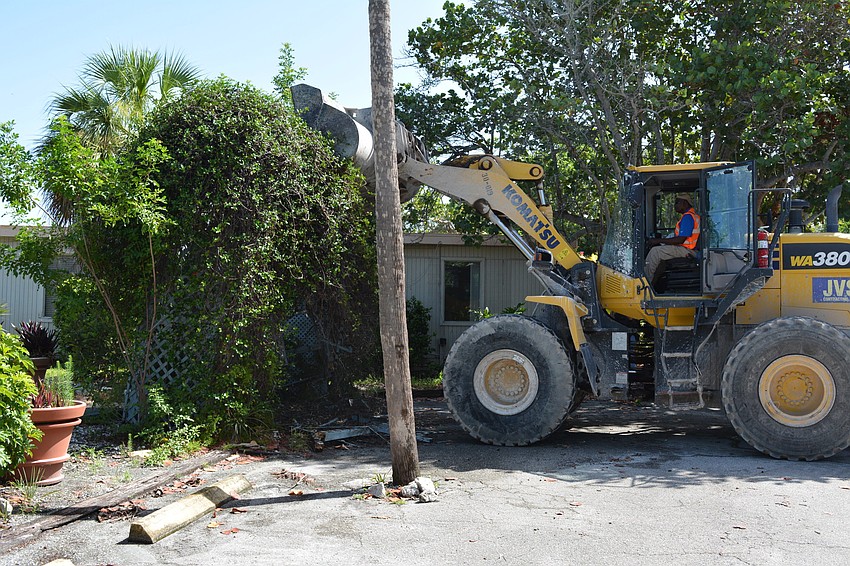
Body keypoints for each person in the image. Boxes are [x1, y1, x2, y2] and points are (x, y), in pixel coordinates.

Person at [644, 192, 700, 286]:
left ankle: (644, 285)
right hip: (689, 248)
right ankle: (653, 284)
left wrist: (657, 241)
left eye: (677, 203)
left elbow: (680, 240)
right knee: (660, 256)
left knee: (655, 252)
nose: (675, 206)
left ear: (685, 203)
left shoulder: (688, 217)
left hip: (688, 250)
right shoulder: (692, 216)